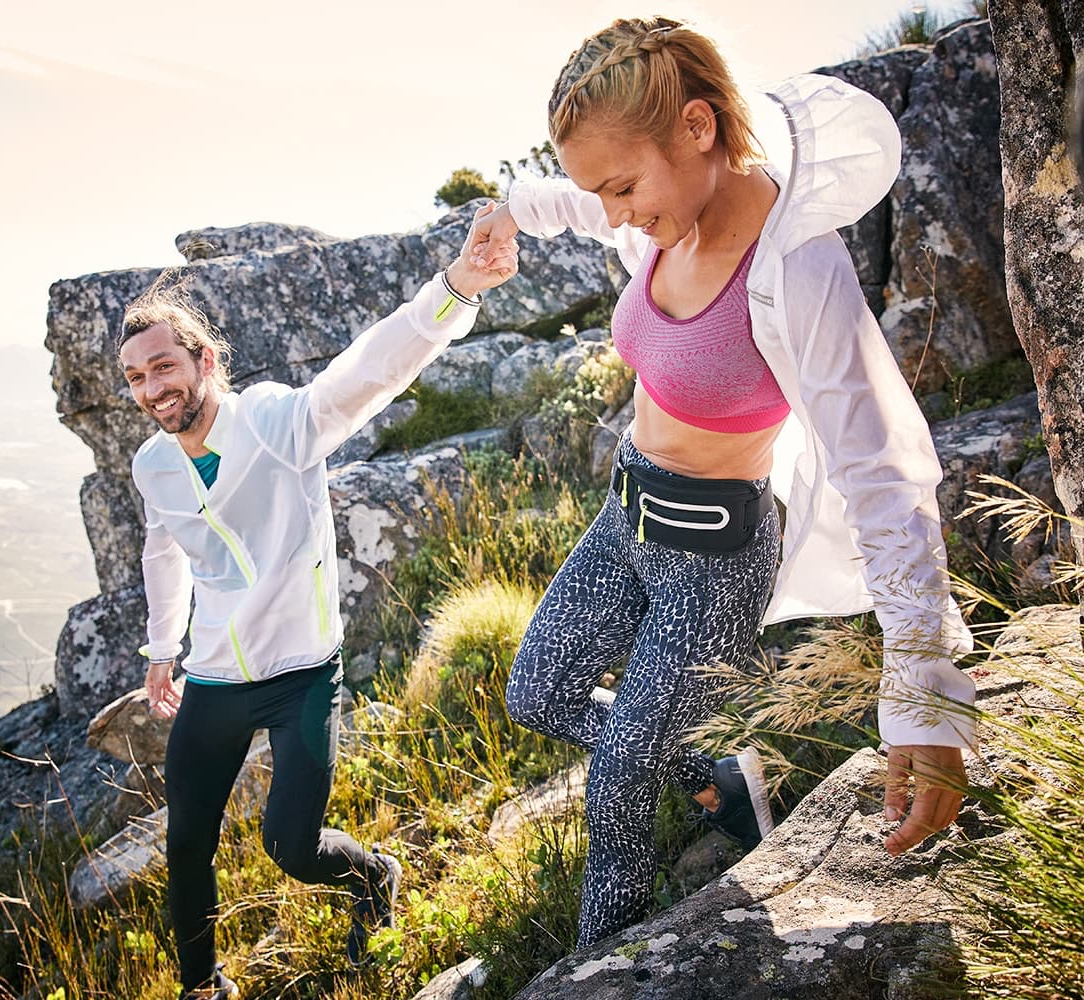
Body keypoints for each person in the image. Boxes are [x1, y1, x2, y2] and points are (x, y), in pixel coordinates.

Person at [470, 16, 977, 949]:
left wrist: (926, 699)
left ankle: (597, 963)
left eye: (625, 184)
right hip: (628, 515)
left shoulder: (796, 267)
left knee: (622, 764)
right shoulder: (664, 215)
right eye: (604, 190)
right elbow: (578, 206)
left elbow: (885, 473)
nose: (616, 211)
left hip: (715, 552)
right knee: (536, 692)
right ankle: (717, 771)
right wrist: (513, 210)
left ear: (699, 128)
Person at [120, 207, 519, 999]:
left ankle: (374, 877)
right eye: (135, 378)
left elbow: (369, 370)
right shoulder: (152, 466)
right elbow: (161, 549)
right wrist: (163, 649)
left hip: (302, 671)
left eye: (163, 367)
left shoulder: (273, 422)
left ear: (201, 360)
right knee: (186, 841)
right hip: (214, 681)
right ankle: (204, 987)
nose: (152, 389)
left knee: (292, 848)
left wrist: (456, 289)